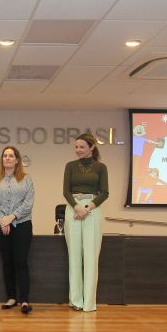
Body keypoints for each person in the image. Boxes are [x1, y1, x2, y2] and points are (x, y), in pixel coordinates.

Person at [63, 133, 109, 312]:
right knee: (74, 256)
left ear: (92, 147)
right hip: (73, 208)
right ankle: (76, 301)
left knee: (90, 256)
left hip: (92, 209)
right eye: (76, 147)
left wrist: (87, 208)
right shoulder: (70, 166)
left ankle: (89, 303)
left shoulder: (101, 167)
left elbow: (104, 193)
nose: (78, 150)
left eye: (82, 147)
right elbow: (66, 191)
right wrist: (76, 207)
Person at [0, 146, 35, 314]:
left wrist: (12, 217)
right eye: (5, 156)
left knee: (21, 261)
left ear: (17, 160)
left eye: (11, 156)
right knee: (7, 262)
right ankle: (11, 297)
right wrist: (2, 219)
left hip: (22, 225)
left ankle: (24, 300)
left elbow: (28, 203)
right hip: (0, 226)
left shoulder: (26, 179)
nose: (7, 158)